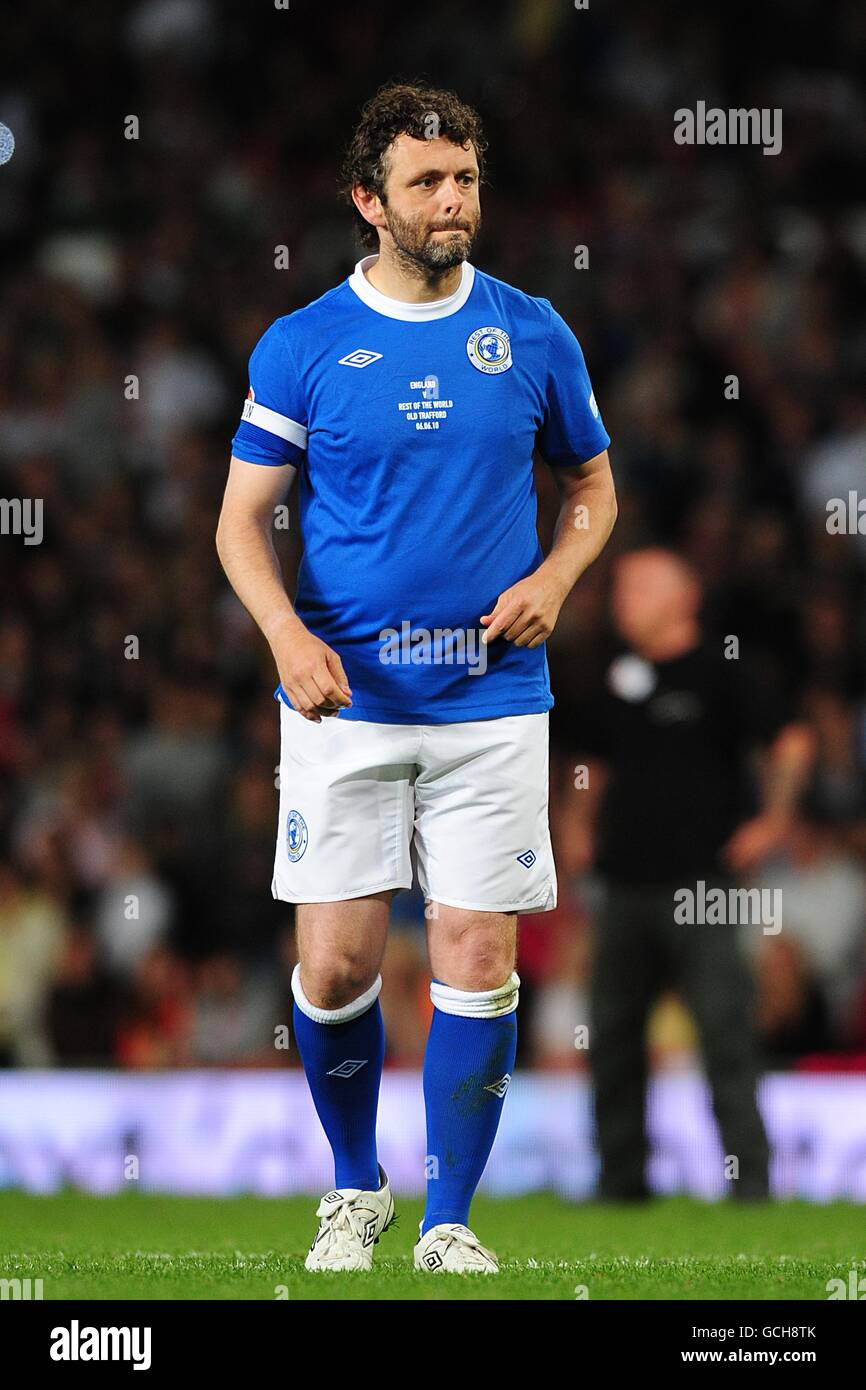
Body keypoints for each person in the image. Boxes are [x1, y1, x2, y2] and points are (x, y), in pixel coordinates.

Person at [216, 81, 616, 1272]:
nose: (452, 202)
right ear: (367, 201)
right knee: (335, 962)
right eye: (426, 183)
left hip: (492, 704)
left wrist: (556, 576)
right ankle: (354, 1186)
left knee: (476, 959)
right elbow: (242, 524)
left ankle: (448, 1218)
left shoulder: (532, 330)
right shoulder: (302, 345)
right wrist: (287, 639)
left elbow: (592, 487)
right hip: (344, 699)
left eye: (466, 181)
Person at [565, 548, 814, 1200]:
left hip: (704, 887)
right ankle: (620, 1184)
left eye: (638, 586)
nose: (622, 599)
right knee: (613, 1037)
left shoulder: (724, 671)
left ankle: (751, 1183)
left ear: (683, 597)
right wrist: (578, 824)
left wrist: (775, 820)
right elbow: (592, 762)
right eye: (619, 588)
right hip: (622, 887)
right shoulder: (616, 677)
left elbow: (791, 741)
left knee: (725, 1034)